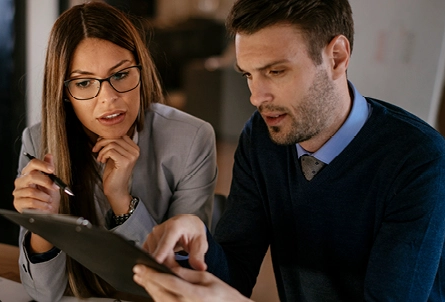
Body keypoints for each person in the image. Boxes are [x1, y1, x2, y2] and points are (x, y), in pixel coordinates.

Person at [133, 0, 445, 301]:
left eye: (276, 72)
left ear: (336, 57)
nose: (257, 97)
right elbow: (233, 274)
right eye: (248, 74)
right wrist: (195, 233)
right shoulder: (261, 137)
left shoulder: (419, 160)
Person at [11, 2, 217, 301]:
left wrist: (122, 201)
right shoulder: (38, 142)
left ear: (141, 70)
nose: (108, 99)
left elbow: (180, 279)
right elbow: (43, 294)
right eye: (83, 83)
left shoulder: (192, 138)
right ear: (64, 93)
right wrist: (42, 225)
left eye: (120, 75)